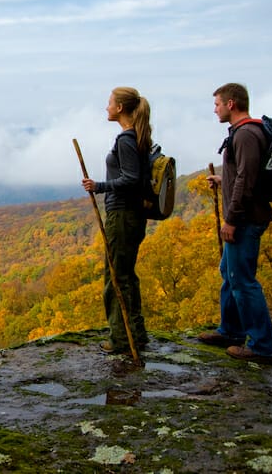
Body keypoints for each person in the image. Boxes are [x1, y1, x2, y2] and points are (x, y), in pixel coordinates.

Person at [200, 83, 272, 365]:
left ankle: (263, 347)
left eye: (217, 104)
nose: (215, 109)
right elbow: (244, 177)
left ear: (231, 104)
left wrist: (231, 220)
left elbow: (247, 180)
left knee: (243, 282)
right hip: (247, 215)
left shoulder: (245, 134)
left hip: (245, 219)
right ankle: (231, 331)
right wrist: (223, 181)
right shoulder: (246, 133)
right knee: (229, 273)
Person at [82, 87, 151, 354]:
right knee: (127, 276)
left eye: (109, 103)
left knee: (115, 278)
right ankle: (137, 333)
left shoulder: (126, 139)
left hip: (122, 215)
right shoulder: (139, 136)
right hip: (133, 215)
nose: (106, 107)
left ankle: (121, 339)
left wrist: (99, 186)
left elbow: (132, 179)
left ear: (120, 108)